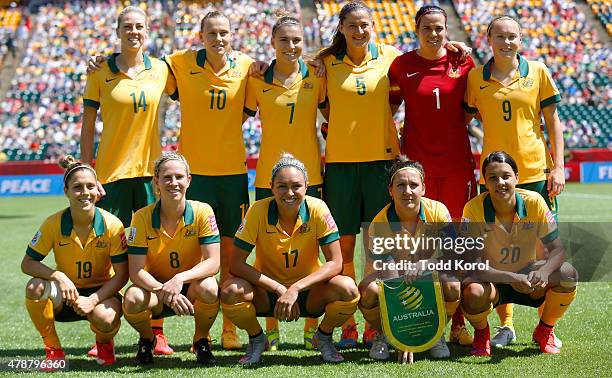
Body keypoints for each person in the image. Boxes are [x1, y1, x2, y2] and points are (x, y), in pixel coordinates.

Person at [315, 0, 471, 347]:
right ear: (341, 27)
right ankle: (348, 323)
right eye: (352, 25)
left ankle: (382, 324)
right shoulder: (325, 63)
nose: (359, 31)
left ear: (374, 26)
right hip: (340, 165)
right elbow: (321, 104)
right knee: (343, 247)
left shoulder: (392, 59)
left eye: (365, 25)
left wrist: (454, 46)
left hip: (382, 163)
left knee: (381, 247)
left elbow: (427, 63)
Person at [463, 15, 565, 347]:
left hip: (534, 173)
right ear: (488, 39)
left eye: (513, 37)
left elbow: (553, 121)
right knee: (496, 253)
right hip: (493, 177)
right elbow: (469, 115)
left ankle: (545, 326)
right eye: (500, 36)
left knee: (540, 253)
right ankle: (505, 325)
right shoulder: (476, 77)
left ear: (521, 40)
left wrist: (558, 166)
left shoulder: (538, 72)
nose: (506, 42)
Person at [80, 5, 176, 357]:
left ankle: (155, 333)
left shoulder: (162, 70)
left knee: (151, 257)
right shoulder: (100, 72)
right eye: (128, 27)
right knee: (110, 259)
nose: (134, 32)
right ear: (118, 32)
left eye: (140, 27)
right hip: (110, 177)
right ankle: (103, 339)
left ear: (148, 31)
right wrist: (86, 170)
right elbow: (88, 123)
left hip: (150, 177)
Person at [388, 4, 477, 346]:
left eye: (439, 28)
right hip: (416, 171)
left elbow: (468, 111)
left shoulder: (463, 62)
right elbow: (388, 109)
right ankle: (411, 317)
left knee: (455, 244)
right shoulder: (401, 65)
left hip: (456, 167)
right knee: (412, 244)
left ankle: (456, 323)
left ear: (446, 30)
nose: (434, 33)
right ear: (416, 28)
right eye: (427, 27)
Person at [221, 154, 360, 364]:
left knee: (348, 288)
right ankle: (257, 339)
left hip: (310, 292)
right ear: (271, 187)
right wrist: (279, 288)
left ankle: (323, 337)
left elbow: (336, 262)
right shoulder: (257, 211)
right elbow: (236, 264)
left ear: (307, 186)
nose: (289, 192)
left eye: (296, 186)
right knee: (230, 290)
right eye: (282, 186)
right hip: (267, 293)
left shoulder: (318, 208)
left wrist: (295, 288)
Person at [242, 11, 327, 351]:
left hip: (311, 177)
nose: (291, 46)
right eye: (284, 40)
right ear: (272, 44)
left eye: (296, 41)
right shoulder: (257, 79)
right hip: (268, 177)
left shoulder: (317, 76)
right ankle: (271, 327)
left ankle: (311, 327)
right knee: (267, 254)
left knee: (312, 252)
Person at [460, 151, 577, 356]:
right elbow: (472, 265)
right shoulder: (473, 209)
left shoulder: (534, 201)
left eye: (506, 176)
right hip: (493, 280)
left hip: (529, 277)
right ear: (485, 182)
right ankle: (482, 334)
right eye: (493, 178)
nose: (500, 182)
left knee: (567, 274)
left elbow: (558, 249)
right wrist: (511, 277)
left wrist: (544, 272)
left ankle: (544, 331)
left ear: (517, 177)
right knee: (473, 292)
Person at [21, 156, 128, 366]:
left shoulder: (113, 225)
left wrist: (94, 299)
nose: (85, 192)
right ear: (66, 191)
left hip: (103, 293)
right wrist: (58, 276)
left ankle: (104, 345)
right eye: (77, 187)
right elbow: (27, 263)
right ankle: (53, 351)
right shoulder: (53, 223)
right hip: (67, 294)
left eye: (90, 186)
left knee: (105, 319)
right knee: (34, 287)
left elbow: (123, 274)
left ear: (98, 190)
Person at [122, 152, 221, 365]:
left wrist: (180, 279)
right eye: (167, 177)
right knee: (132, 298)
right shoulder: (141, 217)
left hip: (191, 286)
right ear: (156, 182)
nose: (173, 182)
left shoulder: (203, 211)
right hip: (156, 290)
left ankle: (201, 340)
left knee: (211, 288)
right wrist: (164, 291)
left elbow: (214, 262)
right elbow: (136, 271)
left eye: (178, 177)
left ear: (189, 180)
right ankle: (147, 339)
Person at [358, 156, 461, 360]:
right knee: (367, 292)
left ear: (423, 188)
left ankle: (436, 331)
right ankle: (385, 334)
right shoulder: (380, 223)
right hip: (390, 281)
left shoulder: (438, 211)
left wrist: (426, 264)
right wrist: (403, 335)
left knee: (453, 284)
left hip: (428, 275)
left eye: (413, 185)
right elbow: (390, 277)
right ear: (390, 190)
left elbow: (453, 252)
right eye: (401, 185)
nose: (408, 191)